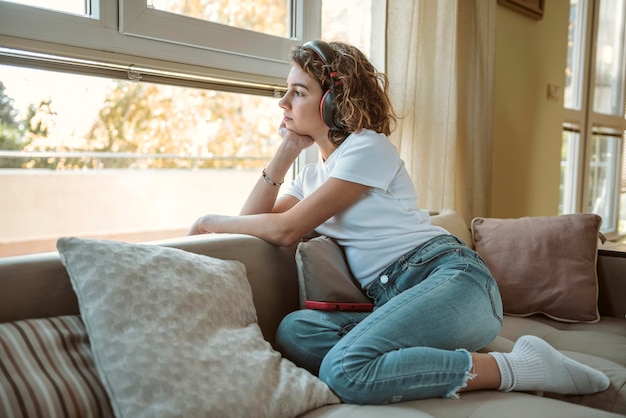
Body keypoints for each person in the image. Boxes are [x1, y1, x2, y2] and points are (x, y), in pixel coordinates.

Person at [189, 40, 610, 404]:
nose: (283, 103)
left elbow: (284, 231)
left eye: (297, 92)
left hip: (451, 280)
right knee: (295, 330)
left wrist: (210, 220)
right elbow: (253, 221)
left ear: (332, 101)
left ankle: (519, 366)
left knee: (344, 370)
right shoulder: (311, 174)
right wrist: (285, 153)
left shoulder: (367, 148)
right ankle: (403, 365)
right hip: (391, 300)